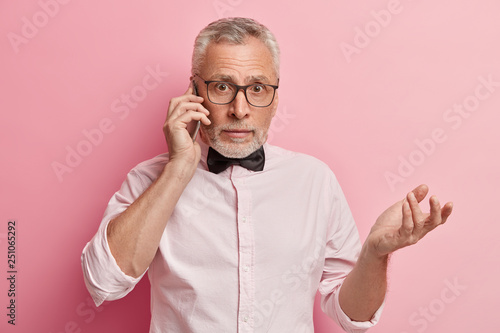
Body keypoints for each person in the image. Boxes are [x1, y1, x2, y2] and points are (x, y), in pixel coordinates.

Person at [81, 17, 453, 333]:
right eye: (222, 86)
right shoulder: (150, 180)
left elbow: (352, 315)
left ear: (274, 99)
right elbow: (103, 283)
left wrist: (374, 254)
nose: (240, 109)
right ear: (194, 91)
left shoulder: (315, 180)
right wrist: (179, 168)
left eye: (257, 88)